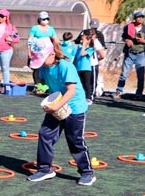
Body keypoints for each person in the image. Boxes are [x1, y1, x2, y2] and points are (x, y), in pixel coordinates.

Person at [26, 37, 96, 186]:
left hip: (74, 108)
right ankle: (45, 169)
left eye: (41, 59)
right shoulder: (45, 67)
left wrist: (56, 107)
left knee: (75, 140)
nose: (41, 64)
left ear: (52, 55)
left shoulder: (65, 66)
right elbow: (44, 82)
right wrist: (41, 87)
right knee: (45, 134)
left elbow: (71, 91)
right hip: (56, 105)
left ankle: (87, 172)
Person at [114, 11, 145, 99]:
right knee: (124, 74)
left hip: (141, 54)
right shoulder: (128, 27)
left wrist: (144, 41)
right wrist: (127, 40)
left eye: (142, 17)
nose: (141, 19)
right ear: (135, 18)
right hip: (130, 53)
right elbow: (124, 37)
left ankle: (139, 93)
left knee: (140, 75)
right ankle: (119, 91)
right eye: (139, 17)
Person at [75, 18, 106, 101]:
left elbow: (102, 53)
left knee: (91, 82)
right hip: (82, 64)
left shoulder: (95, 41)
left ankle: (90, 96)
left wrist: (97, 59)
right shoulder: (82, 43)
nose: (92, 32)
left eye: (94, 30)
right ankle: (83, 95)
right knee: (83, 82)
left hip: (92, 64)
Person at [26, 11, 57, 88]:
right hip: (37, 53)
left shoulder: (51, 29)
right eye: (43, 19)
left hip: (48, 53)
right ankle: (37, 85)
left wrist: (56, 50)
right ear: (39, 19)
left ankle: (47, 85)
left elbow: (56, 40)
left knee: (48, 69)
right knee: (37, 69)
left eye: (47, 19)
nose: (45, 20)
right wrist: (29, 52)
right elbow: (29, 40)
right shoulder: (35, 28)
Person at [74, 29, 96, 105]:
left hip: (86, 68)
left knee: (87, 83)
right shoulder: (79, 47)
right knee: (80, 83)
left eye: (83, 39)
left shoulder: (90, 48)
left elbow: (83, 53)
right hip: (78, 68)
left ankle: (88, 98)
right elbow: (76, 56)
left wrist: (84, 44)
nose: (81, 41)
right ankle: (81, 97)